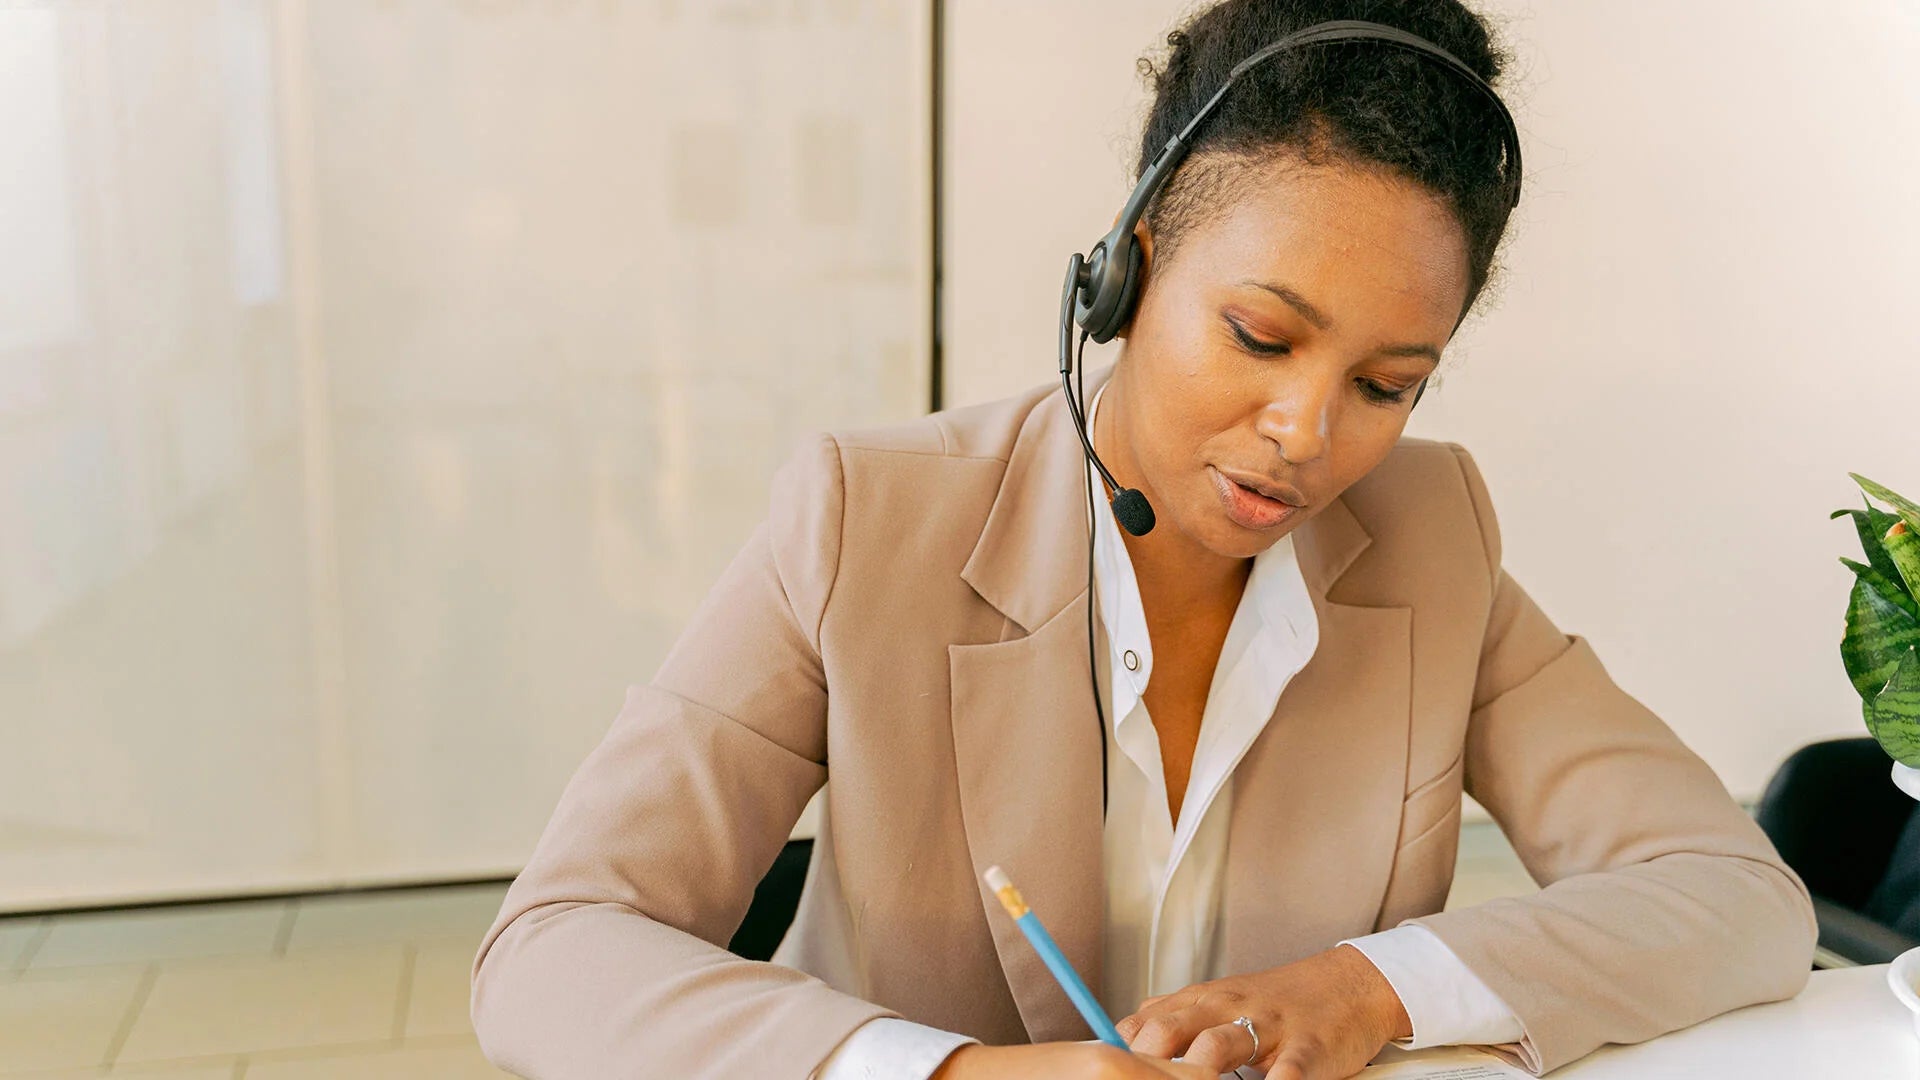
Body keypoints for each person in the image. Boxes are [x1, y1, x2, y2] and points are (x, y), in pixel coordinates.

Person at [470, 2, 1818, 1078]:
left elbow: (1735, 895)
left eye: (1385, 383)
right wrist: (942, 1078)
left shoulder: (1430, 540)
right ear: (1130, 266)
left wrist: (1368, 991)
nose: (1306, 432)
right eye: (1261, 336)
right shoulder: (862, 519)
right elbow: (550, 949)